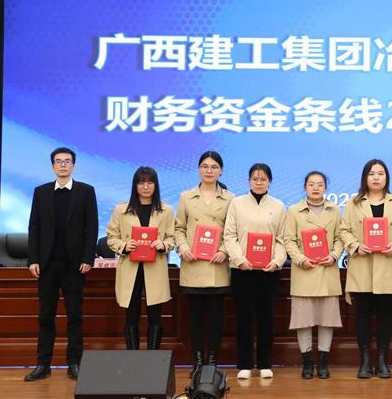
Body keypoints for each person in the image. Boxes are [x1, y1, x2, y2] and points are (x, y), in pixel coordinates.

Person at [25, 147, 98, 381]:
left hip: (74, 265)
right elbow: (34, 227)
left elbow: (92, 227)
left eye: (67, 161)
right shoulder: (41, 192)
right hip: (47, 265)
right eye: (59, 161)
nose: (63, 165)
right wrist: (33, 259)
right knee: (45, 316)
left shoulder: (86, 192)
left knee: (75, 315)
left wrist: (88, 258)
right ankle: (43, 364)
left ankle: (74, 363)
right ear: (52, 166)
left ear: (73, 165)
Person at [339, 159, 392, 379]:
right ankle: (365, 361)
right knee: (363, 315)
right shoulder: (353, 203)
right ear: (365, 177)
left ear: (387, 177)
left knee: (385, 315)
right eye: (371, 173)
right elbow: (344, 230)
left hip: (387, 265)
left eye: (380, 173)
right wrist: (356, 245)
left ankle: (382, 361)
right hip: (362, 265)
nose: (376, 177)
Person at [223, 163, 287, 380]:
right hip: (243, 270)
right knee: (244, 317)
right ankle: (245, 364)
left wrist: (277, 261)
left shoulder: (278, 206)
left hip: (269, 271)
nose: (259, 182)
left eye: (263, 179)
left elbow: (282, 239)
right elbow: (229, 235)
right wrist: (239, 259)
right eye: (255, 179)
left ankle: (265, 364)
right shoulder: (237, 203)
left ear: (270, 181)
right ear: (249, 181)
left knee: (266, 317)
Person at [174, 151, 234, 377]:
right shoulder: (186, 197)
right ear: (199, 169)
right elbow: (179, 228)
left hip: (217, 265)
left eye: (214, 167)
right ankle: (198, 361)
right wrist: (183, 248)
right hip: (193, 264)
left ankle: (212, 362)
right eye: (205, 166)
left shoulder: (230, 198)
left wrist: (224, 250)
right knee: (195, 317)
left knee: (216, 317)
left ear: (221, 171)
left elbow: (233, 231)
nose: (209, 170)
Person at [106, 167, 175, 352]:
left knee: (155, 315)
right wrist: (124, 246)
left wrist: (164, 244)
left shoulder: (166, 210)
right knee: (131, 315)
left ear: (156, 185)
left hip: (155, 267)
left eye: (150, 182)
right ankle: (133, 357)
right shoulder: (121, 210)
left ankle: (153, 358)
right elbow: (111, 237)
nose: (145, 187)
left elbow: (173, 237)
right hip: (131, 267)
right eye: (141, 183)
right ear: (135, 185)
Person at [283, 171, 344, 380]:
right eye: (311, 184)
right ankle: (307, 363)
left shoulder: (335, 210)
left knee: (327, 319)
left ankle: (323, 363)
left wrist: (334, 256)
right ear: (305, 187)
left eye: (320, 184)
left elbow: (340, 238)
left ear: (325, 187)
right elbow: (289, 240)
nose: (315, 188)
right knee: (304, 320)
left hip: (327, 270)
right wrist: (300, 259)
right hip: (304, 271)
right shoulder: (294, 211)